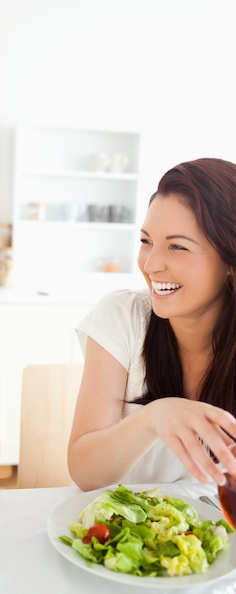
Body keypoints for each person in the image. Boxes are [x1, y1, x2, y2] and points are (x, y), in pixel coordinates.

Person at [68, 157, 236, 491]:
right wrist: (151, 418)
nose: (151, 264)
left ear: (229, 260)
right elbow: (85, 472)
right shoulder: (122, 318)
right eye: (146, 241)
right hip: (116, 531)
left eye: (177, 246)